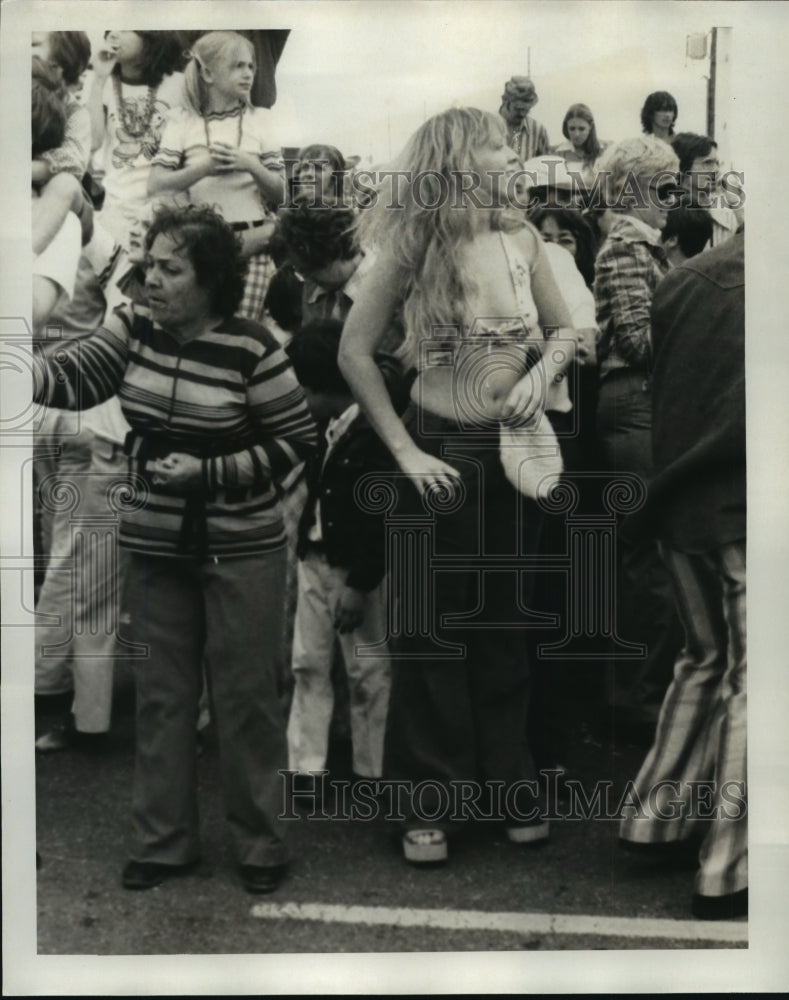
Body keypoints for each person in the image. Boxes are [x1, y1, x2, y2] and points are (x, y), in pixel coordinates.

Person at [32, 205, 317, 894]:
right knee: (162, 697)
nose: (150, 280)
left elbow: (295, 441)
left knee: (247, 698)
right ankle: (163, 843)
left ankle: (260, 844)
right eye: (149, 264)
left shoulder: (253, 348)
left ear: (210, 278)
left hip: (242, 546)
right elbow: (75, 374)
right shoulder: (131, 328)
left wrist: (209, 474)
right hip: (155, 540)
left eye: (169, 268)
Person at [339, 107, 574, 865]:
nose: (514, 155)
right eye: (499, 146)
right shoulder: (413, 243)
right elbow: (354, 351)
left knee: (504, 622)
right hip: (439, 448)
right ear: (458, 160)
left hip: (514, 449)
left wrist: (540, 377)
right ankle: (428, 801)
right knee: (433, 630)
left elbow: (565, 329)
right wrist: (404, 450)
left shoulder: (523, 236)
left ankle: (508, 784)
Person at [618, 230, 746, 921]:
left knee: (704, 661)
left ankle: (656, 819)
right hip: (744, 504)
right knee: (758, 680)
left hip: (677, 501)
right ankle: (730, 866)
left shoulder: (686, 278)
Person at [593, 136, 685, 739]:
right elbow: (637, 341)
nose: (671, 199)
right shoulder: (625, 248)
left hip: (640, 403)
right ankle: (634, 699)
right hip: (633, 401)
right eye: (664, 186)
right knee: (646, 558)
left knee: (647, 557)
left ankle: (638, 695)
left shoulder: (638, 247)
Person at [285, 319, 397, 785]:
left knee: (368, 670)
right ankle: (306, 768)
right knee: (308, 662)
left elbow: (381, 519)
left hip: (357, 575)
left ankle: (373, 768)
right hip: (315, 558)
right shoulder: (328, 428)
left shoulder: (374, 433)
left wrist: (360, 584)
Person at [148, 31, 285, 321]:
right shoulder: (182, 121)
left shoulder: (261, 119)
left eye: (251, 66)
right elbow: (156, 184)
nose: (248, 73)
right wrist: (204, 168)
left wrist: (250, 163)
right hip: (203, 247)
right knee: (205, 332)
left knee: (239, 335)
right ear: (208, 74)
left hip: (254, 246)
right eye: (237, 66)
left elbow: (281, 193)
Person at [86, 30, 186, 247]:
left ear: (152, 36)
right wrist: (99, 78)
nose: (113, 34)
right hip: (116, 212)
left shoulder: (180, 84)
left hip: (168, 213)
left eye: (124, 28)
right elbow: (93, 142)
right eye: (110, 28)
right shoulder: (99, 83)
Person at [31, 32, 93, 186]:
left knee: (65, 186)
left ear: (58, 65)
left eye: (34, 44)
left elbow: (73, 160)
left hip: (50, 188)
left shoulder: (75, 112)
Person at [670, 132, 740, 247]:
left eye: (717, 163)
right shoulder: (664, 216)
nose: (716, 170)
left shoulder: (728, 217)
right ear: (682, 166)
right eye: (707, 162)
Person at [499, 76, 550, 161]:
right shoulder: (487, 125)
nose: (522, 113)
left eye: (526, 110)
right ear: (506, 101)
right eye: (518, 109)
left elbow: (544, 167)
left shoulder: (538, 130)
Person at [552, 103, 607, 180]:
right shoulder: (557, 153)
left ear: (590, 127)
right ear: (566, 127)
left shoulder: (604, 151)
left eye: (581, 129)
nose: (576, 134)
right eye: (572, 129)